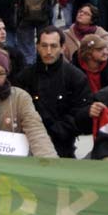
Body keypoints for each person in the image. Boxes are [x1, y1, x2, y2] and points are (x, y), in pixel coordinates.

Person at [15, 26, 93, 158]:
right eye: (44, 46)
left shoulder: (76, 77)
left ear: (62, 48)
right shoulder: (25, 76)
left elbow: (80, 114)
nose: (48, 51)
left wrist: (55, 134)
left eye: (53, 46)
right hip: (28, 143)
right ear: (37, 47)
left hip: (63, 145)